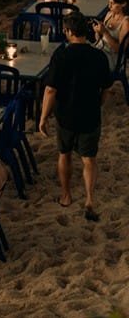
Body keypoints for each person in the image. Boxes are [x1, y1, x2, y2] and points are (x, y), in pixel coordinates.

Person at [39, 11, 113, 220]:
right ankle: (89, 198)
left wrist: (43, 117)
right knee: (89, 159)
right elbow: (107, 87)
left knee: (65, 154)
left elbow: (50, 90)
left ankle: (66, 195)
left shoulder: (62, 55)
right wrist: (99, 103)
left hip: (66, 115)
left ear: (68, 31)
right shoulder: (99, 56)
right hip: (90, 114)